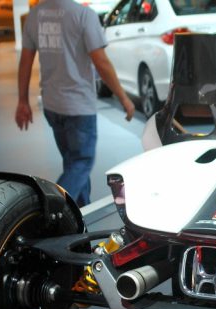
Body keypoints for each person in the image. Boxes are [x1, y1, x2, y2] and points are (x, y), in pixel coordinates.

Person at [15, 0, 135, 207]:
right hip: (78, 107)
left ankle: (80, 213)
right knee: (81, 163)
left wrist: (23, 100)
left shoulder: (35, 16)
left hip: (53, 105)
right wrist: (123, 97)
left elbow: (25, 61)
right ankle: (51, 208)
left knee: (73, 163)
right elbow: (101, 62)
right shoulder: (83, 15)